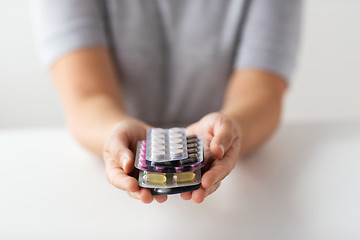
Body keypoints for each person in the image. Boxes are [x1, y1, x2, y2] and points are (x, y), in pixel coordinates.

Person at [31, 0, 302, 204]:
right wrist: (114, 137)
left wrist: (231, 132)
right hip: (102, 194)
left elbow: (262, 93)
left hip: (242, 184)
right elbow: (86, 96)